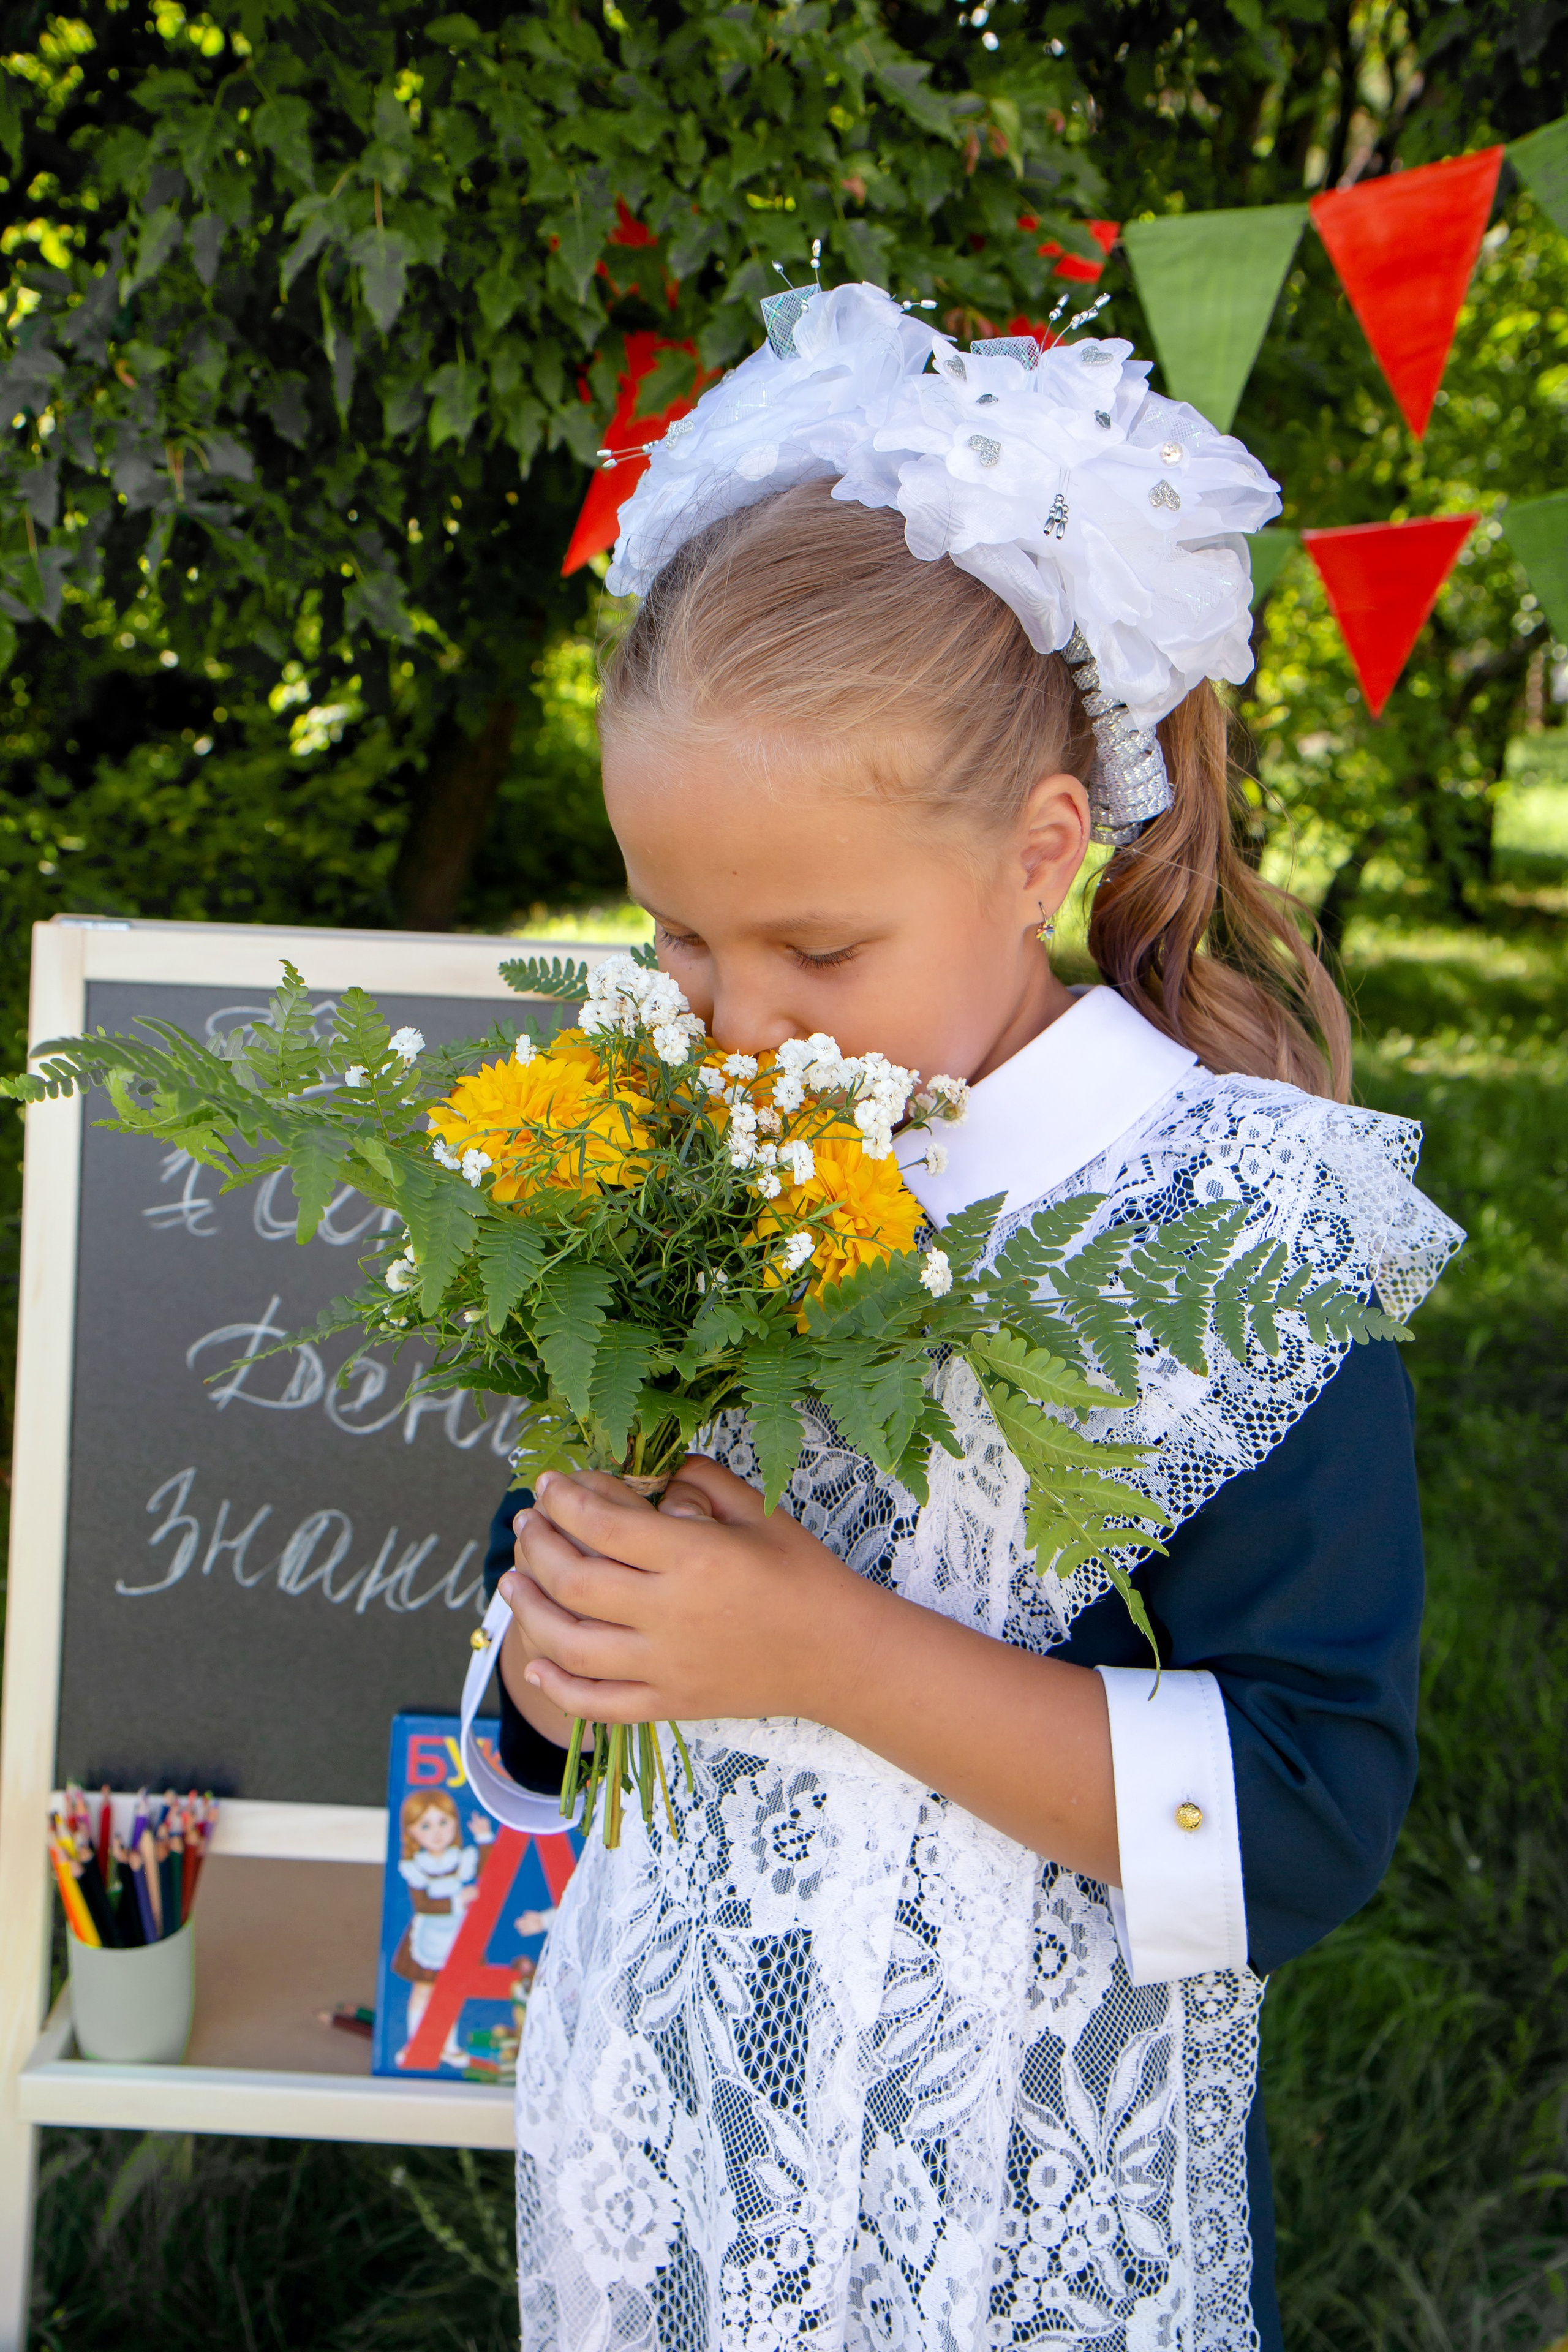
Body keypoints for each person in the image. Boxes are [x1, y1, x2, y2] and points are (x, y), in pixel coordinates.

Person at [459, 282, 1461, 2351]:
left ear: (1040, 852)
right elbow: (551, 1593)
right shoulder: (682, 1144)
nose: (736, 1019)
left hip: (1015, 2216)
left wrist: (827, 1651)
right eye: (672, 937)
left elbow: (1300, 1816)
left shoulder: (1235, 1234)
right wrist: (552, 1655)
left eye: (817, 944)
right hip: (674, 2163)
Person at [390, 1786, 494, 2070]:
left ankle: (448, 2045)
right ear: (411, 1832)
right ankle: (416, 2042)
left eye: (443, 1822)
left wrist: (485, 1839)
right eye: (426, 1825)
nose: (437, 1832)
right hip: (428, 1937)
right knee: (423, 1990)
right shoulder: (416, 1865)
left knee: (451, 1992)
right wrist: (457, 1901)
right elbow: (422, 1904)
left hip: (457, 1935)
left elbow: (486, 1879)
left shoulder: (461, 1858)